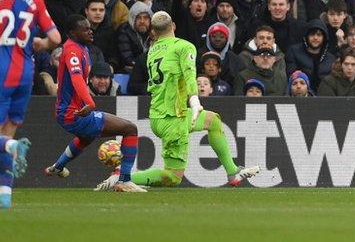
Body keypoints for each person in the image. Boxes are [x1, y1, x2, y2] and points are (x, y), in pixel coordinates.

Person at [96, 11, 260, 188]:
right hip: (173, 119)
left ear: (154, 32)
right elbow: (190, 75)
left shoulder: (152, 51)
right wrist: (195, 102)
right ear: (173, 26)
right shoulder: (184, 46)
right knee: (173, 177)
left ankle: (232, 171)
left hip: (160, 114)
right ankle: (123, 177)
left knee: (213, 121)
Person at [0, 0, 61, 208]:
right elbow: (55, 39)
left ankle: (11, 148)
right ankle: (3, 195)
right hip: (24, 75)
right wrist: (39, 43)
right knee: (8, 135)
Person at [45, 14, 144, 192]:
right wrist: (89, 102)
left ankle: (58, 166)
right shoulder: (73, 51)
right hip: (73, 112)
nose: (90, 31)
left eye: (90, 28)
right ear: (72, 33)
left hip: (68, 112)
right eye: (85, 29)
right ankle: (124, 181)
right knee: (130, 129)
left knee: (86, 137)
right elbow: (76, 78)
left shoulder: (81, 47)